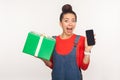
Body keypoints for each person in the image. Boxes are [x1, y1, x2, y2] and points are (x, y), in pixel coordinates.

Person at [41, 4, 94, 80]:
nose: (70, 24)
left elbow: (84, 67)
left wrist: (88, 50)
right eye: (66, 21)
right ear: (60, 23)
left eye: (73, 20)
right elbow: (52, 66)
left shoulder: (81, 40)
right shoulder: (52, 40)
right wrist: (41, 56)